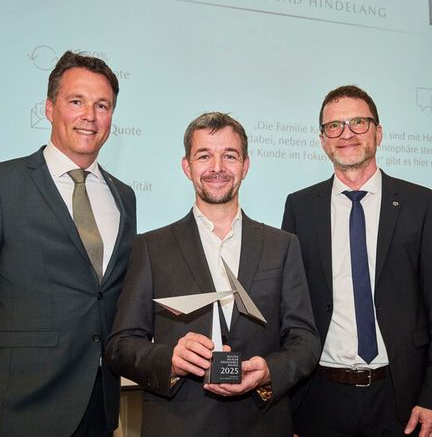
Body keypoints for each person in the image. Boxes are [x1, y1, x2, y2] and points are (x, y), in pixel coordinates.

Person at [0, 51, 137, 437]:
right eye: (76, 101)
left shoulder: (124, 196)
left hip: (100, 408)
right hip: (18, 412)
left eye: (103, 105)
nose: (90, 116)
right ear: (49, 108)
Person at [105, 112, 320, 437]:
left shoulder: (283, 246)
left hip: (262, 424)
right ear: (186, 166)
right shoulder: (151, 247)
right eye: (204, 155)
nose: (217, 167)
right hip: (177, 426)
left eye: (229, 155)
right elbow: (120, 345)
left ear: (245, 166)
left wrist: (268, 372)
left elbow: (305, 340)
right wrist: (171, 360)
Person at [282, 85, 432, 437]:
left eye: (358, 123)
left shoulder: (419, 204)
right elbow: (288, 308)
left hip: (399, 399)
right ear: (322, 140)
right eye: (334, 126)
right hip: (318, 398)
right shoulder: (299, 207)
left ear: (378, 133)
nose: (346, 133)